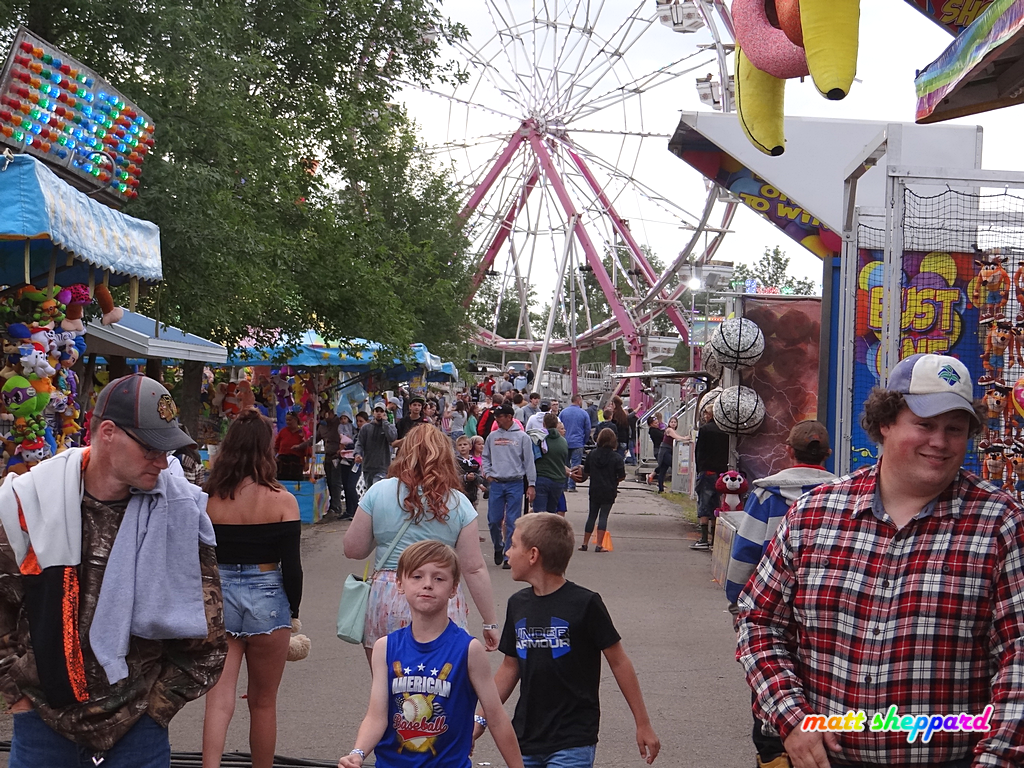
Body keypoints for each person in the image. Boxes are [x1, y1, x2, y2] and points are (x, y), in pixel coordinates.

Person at [737, 353, 1024, 768]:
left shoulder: (1001, 525)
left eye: (954, 429)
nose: (939, 442)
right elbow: (758, 620)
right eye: (924, 424)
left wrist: (997, 759)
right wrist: (791, 718)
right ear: (885, 422)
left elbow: (1018, 655)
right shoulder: (814, 515)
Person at [0, 373, 226, 768]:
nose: (162, 460)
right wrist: (17, 695)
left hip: (137, 734)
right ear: (107, 432)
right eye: (151, 448)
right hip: (42, 726)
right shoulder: (29, 503)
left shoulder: (178, 513)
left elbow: (208, 638)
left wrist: (155, 712)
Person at [473, 514, 660, 768]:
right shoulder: (518, 604)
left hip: (573, 740)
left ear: (533, 555)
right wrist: (480, 719)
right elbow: (510, 666)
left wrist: (643, 723)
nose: (507, 552)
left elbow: (619, 662)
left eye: (514, 545)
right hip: (526, 739)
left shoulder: (585, 604)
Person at [339, 541, 524, 768]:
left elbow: (496, 718)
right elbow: (377, 716)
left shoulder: (468, 650)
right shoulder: (384, 648)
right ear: (400, 583)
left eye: (439, 578)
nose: (427, 585)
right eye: (417, 577)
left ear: (454, 588)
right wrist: (357, 752)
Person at [724, 420, 835, 768]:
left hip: (772, 615)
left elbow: (744, 555)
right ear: (827, 455)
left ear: (788, 451)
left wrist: (736, 600)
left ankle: (774, 754)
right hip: (824, 623)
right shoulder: (842, 495)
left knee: (773, 687)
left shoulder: (766, 495)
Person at [343, 425, 502, 664]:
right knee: (441, 682)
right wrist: (489, 622)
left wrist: (384, 531)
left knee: (387, 684)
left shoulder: (378, 493)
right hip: (439, 590)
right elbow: (473, 568)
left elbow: (353, 550)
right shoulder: (458, 502)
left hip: (389, 592)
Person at [202, 411, 302, 768]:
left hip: (220, 593)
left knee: (218, 696)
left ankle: (210, 765)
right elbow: (292, 566)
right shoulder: (282, 500)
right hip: (268, 593)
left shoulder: (209, 498)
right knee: (263, 700)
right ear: (266, 449)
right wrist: (294, 612)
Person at [482, 403, 537, 569]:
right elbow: (485, 457)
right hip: (497, 483)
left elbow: (529, 462)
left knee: (513, 521)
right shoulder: (492, 437)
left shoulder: (522, 437)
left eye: (499, 416)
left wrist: (531, 484)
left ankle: (508, 554)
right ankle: (498, 545)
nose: (497, 419)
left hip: (515, 482)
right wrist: (488, 473)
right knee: (493, 520)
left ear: (509, 417)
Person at [576, 428, 626, 552]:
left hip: (595, 488)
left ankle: (584, 543)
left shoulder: (592, 454)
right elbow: (621, 476)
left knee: (591, 516)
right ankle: (599, 545)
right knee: (603, 517)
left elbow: (586, 472)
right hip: (609, 489)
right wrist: (615, 481)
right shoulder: (617, 457)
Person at [692, 399, 729, 551]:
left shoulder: (705, 429)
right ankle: (714, 539)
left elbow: (699, 451)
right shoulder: (726, 430)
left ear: (710, 414)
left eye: (706, 413)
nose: (705, 416)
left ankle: (703, 538)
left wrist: (699, 469)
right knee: (716, 504)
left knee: (704, 504)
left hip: (707, 471)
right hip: (721, 472)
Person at [354, 401, 398, 489]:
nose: (379, 413)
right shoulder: (365, 428)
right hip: (368, 467)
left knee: (377, 489)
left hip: (382, 467)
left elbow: (392, 438)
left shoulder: (389, 427)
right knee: (370, 493)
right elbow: (360, 443)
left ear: (385, 413)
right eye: (377, 411)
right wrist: (357, 454)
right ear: (373, 412)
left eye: (381, 411)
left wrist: (385, 423)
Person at [533, 413, 570, 514]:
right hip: (558, 480)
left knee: (540, 514)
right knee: (551, 513)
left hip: (541, 478)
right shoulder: (563, 442)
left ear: (544, 424)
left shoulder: (538, 439)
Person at [317, 405, 345, 519]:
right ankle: (332, 506)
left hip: (337, 456)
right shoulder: (322, 426)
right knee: (329, 482)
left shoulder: (339, 423)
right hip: (327, 456)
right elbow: (315, 438)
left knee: (335, 482)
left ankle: (336, 507)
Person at [558, 395, 591, 492]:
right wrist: (584, 440)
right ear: (579, 401)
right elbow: (588, 429)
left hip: (564, 442)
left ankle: (563, 485)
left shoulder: (563, 412)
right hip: (577, 442)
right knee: (576, 465)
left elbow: (558, 425)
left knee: (564, 464)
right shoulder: (583, 413)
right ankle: (571, 486)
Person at [336, 412, 360, 519]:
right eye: (358, 421)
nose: (359, 423)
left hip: (356, 462)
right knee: (345, 485)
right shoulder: (341, 428)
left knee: (351, 486)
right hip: (344, 459)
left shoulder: (361, 432)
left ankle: (356, 511)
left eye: (361, 421)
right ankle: (349, 511)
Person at [274, 410, 310, 481]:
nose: (288, 422)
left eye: (290, 420)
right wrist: (273, 458)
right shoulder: (283, 431)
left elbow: (308, 449)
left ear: (296, 420)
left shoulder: (302, 432)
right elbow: (276, 446)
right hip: (282, 462)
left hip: (296, 462)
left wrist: (307, 463)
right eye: (286, 420)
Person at [652, 416, 682, 494]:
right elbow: (677, 438)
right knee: (674, 466)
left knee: (663, 470)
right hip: (665, 451)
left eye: (675, 422)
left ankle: (660, 489)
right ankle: (675, 487)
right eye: (671, 422)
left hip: (669, 451)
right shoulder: (669, 430)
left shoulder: (674, 431)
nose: (673, 423)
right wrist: (686, 438)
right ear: (669, 423)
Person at [455, 435, 481, 505]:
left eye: (465, 444)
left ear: (470, 447)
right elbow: (454, 477)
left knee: (472, 513)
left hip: (473, 494)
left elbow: (480, 477)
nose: (462, 446)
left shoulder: (475, 463)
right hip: (460, 494)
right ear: (457, 448)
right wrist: (465, 477)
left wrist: (475, 477)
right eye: (460, 445)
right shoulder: (455, 462)